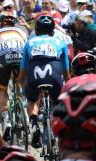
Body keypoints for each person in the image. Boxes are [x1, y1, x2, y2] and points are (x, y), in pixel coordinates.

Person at [18, 15, 70, 148]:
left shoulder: (29, 43)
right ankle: (58, 124)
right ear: (53, 32)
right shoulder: (60, 43)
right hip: (55, 74)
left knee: (32, 99)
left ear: (36, 31)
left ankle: (34, 124)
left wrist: (22, 84)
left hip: (34, 75)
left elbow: (23, 69)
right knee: (58, 101)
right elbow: (66, 72)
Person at [0, 12, 26, 138]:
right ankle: (24, 113)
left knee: (2, 90)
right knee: (20, 83)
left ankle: (6, 119)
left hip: (5, 59)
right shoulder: (21, 32)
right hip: (21, 59)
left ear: (1, 23)